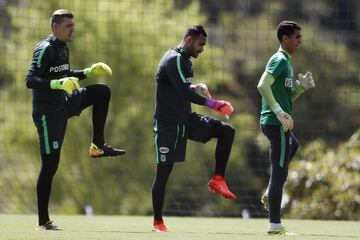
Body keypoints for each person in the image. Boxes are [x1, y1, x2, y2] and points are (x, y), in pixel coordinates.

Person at [25, 9, 125, 230]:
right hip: (47, 114)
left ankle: (97, 145)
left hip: (65, 102)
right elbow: (30, 80)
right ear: (55, 27)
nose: (73, 29)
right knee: (50, 165)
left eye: (73, 25)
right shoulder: (45, 49)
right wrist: (56, 84)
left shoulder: (63, 48)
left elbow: (64, 73)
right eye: (69, 26)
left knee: (102, 91)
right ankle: (43, 221)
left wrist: (88, 71)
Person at [152, 25, 237, 233]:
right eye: (201, 44)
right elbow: (182, 91)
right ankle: (158, 222)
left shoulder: (186, 61)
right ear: (188, 39)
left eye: (204, 45)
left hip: (186, 120)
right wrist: (215, 104)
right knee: (164, 173)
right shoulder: (173, 59)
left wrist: (195, 86)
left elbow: (181, 88)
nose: (202, 49)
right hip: (167, 125)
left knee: (227, 131)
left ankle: (218, 180)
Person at [257, 21, 315, 234]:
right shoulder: (279, 60)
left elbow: (287, 97)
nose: (300, 41)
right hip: (275, 122)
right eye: (296, 37)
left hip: (278, 121)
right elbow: (262, 85)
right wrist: (279, 112)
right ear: (285, 39)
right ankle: (274, 226)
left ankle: (270, 189)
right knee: (280, 173)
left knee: (293, 147)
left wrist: (301, 87)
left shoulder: (287, 64)